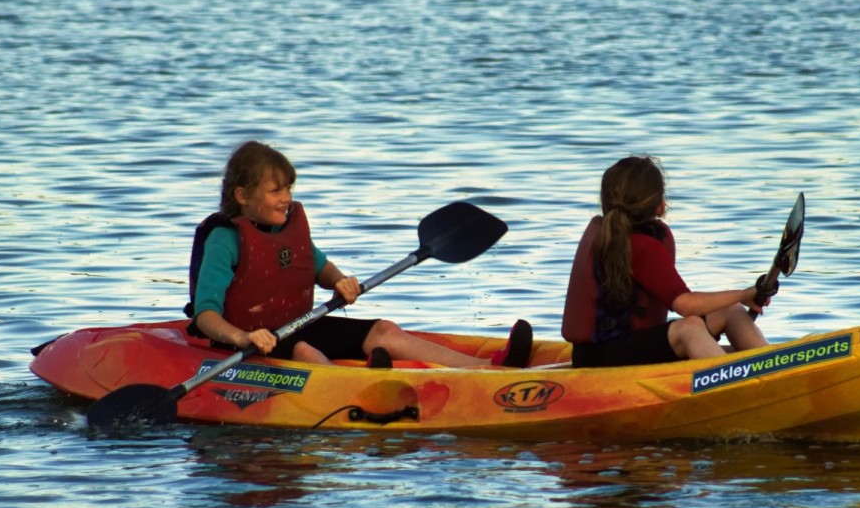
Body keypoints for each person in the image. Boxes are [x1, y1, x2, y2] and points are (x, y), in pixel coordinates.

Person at [185, 141, 532, 368]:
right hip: (248, 343)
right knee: (306, 353)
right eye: (275, 190)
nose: (286, 197)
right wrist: (243, 337)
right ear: (243, 196)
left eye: (288, 188)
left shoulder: (288, 229)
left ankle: (489, 370)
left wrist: (340, 281)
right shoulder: (225, 240)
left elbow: (318, 266)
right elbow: (205, 315)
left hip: (296, 327)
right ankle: (362, 385)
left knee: (384, 329)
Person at [561, 154, 772, 368]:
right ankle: (734, 385)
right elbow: (685, 304)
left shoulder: (614, 236)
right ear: (660, 205)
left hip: (616, 349)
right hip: (600, 358)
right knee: (690, 328)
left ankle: (772, 366)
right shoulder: (640, 246)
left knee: (731, 310)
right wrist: (744, 294)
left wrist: (739, 299)